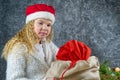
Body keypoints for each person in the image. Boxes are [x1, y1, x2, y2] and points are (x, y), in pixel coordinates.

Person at [2, 4, 59, 80]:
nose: (45, 28)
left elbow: (61, 56)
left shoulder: (47, 44)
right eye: (40, 23)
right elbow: (13, 78)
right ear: (30, 25)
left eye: (48, 25)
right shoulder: (19, 47)